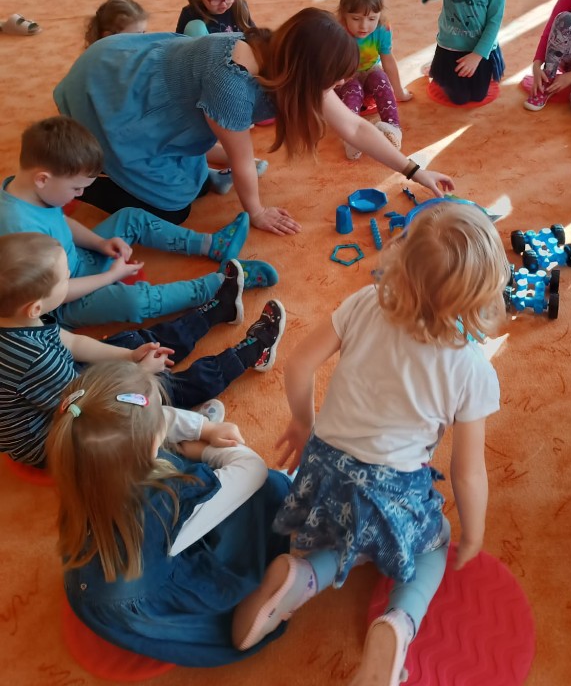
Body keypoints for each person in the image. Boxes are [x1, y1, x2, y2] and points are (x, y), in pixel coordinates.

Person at [230, 202, 506, 686]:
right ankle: (397, 626)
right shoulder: (472, 368)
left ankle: (301, 577)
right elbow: (468, 472)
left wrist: (302, 423)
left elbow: (298, 365)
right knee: (432, 544)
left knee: (351, 529)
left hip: (322, 472)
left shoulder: (366, 301)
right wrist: (475, 534)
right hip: (388, 490)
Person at [54, 8, 454, 229]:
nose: (336, 87)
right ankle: (86, 175)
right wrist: (257, 212)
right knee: (174, 209)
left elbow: (355, 126)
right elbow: (242, 160)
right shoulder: (231, 85)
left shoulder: (287, 59)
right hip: (113, 91)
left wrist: (416, 171)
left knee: (193, 183)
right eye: (333, 80)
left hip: (146, 80)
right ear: (308, 74)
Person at [47, 362, 292, 667]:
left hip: (98, 586)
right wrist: (203, 450)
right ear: (150, 443)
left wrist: (205, 429)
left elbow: (147, 417)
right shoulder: (165, 504)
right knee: (272, 488)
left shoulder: (83, 462)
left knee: (178, 465)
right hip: (147, 595)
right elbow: (251, 471)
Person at [0, 232, 285, 467]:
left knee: (135, 344)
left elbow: (74, 343)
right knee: (155, 387)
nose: (69, 280)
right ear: (35, 307)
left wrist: (129, 357)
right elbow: (93, 406)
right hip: (64, 433)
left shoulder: (20, 318)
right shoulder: (34, 360)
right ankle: (249, 355)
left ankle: (215, 312)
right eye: (65, 279)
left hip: (68, 390)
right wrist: (139, 373)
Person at [0, 116, 277, 327]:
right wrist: (109, 277)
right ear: (43, 179)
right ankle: (219, 286)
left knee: (130, 217)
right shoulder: (16, 227)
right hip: (62, 298)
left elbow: (61, 223)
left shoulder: (32, 190)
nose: (81, 195)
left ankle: (212, 245)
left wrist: (99, 243)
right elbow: (51, 296)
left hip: (74, 263)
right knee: (133, 301)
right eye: (76, 189)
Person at [84, 0, 267, 196]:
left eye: (144, 33)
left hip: (152, 117)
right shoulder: (105, 66)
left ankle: (219, 168)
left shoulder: (137, 59)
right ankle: (213, 173)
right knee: (172, 151)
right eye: (136, 35)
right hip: (128, 131)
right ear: (109, 37)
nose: (141, 39)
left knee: (188, 135)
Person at [335, 0, 412, 160]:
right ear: (343, 13)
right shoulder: (337, 30)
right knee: (353, 87)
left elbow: (388, 60)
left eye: (372, 18)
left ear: (380, 14)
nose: (364, 26)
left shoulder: (382, 29)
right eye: (356, 18)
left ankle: (393, 129)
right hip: (344, 81)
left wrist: (399, 92)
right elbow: (328, 66)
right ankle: (351, 139)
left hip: (369, 76)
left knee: (380, 78)